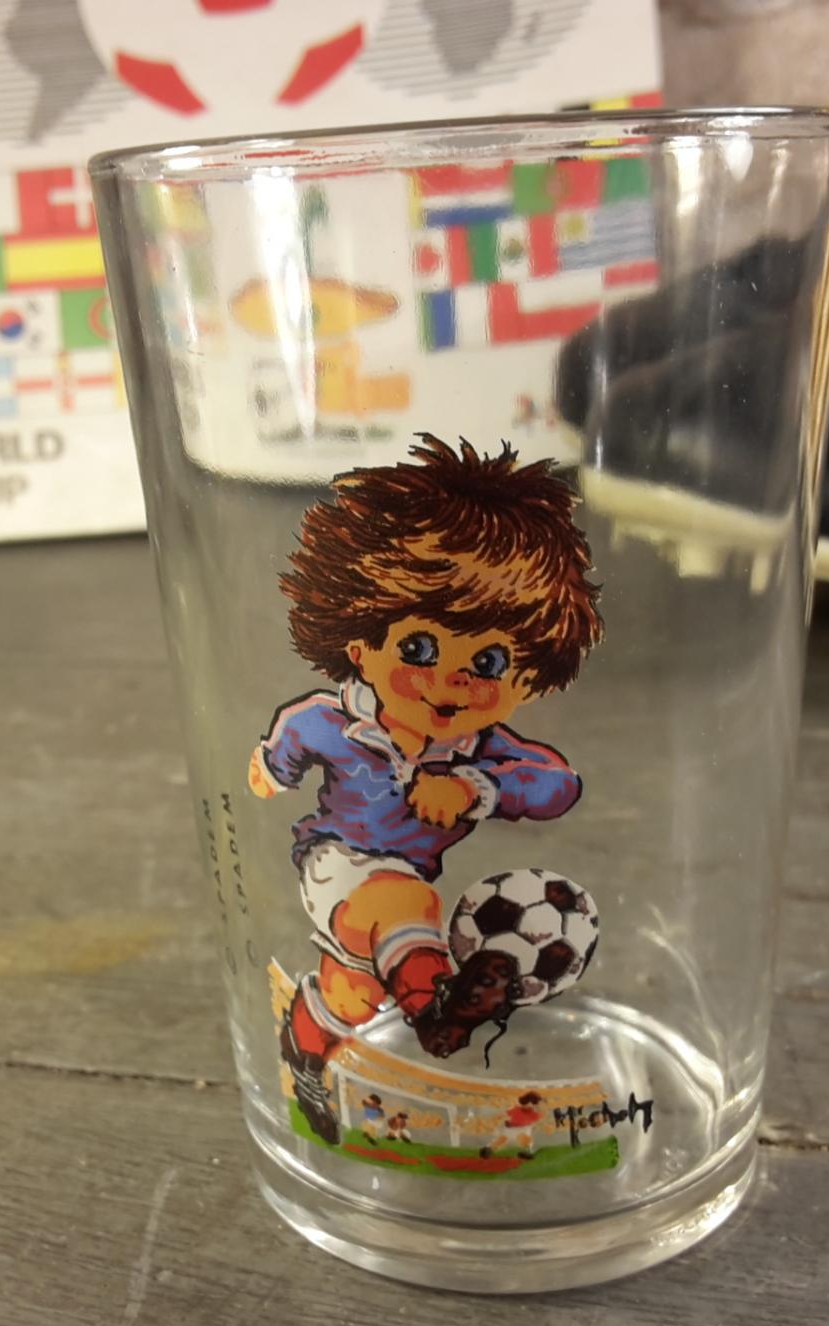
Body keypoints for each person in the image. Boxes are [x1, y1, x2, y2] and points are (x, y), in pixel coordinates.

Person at [254, 434, 604, 1143]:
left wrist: (476, 788)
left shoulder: (484, 750)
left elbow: (556, 784)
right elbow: (293, 736)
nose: (452, 680)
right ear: (360, 648)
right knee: (400, 904)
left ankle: (309, 1054)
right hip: (335, 861)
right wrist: (269, 770)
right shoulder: (335, 724)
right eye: (418, 649)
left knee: (352, 996)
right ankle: (434, 1010)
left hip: (405, 877)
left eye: (490, 661)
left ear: (528, 681)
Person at [480, 1091, 544, 1160]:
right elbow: (505, 1113)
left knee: (526, 1139)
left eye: (534, 1103)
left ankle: (527, 1152)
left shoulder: (533, 1113)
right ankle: (488, 1149)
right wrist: (496, 1118)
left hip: (523, 1128)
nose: (532, 1105)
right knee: (502, 1139)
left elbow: (538, 1117)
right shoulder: (516, 1109)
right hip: (511, 1128)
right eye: (532, 1103)